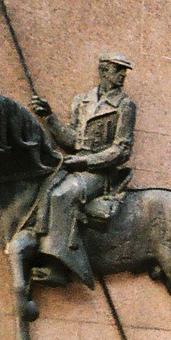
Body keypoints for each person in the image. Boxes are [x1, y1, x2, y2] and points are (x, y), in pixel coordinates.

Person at [28, 52, 137, 287]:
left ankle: (57, 266)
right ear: (103, 71)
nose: (122, 76)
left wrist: (86, 162)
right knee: (42, 187)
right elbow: (73, 140)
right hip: (77, 165)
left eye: (123, 71)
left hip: (100, 173)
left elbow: (121, 150)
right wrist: (48, 117)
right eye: (117, 70)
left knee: (63, 194)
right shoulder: (82, 101)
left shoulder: (125, 106)